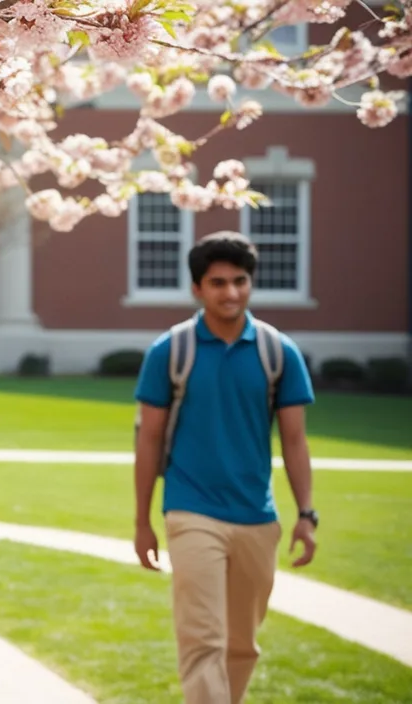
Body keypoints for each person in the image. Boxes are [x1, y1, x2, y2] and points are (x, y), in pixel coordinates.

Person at [133, 231, 318, 704]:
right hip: (191, 510)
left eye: (239, 281)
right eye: (218, 283)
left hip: (258, 517)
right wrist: (143, 522)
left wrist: (307, 514)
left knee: (241, 646)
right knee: (203, 642)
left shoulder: (279, 353)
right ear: (197, 288)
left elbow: (295, 440)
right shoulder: (170, 352)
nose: (231, 292)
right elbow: (148, 440)